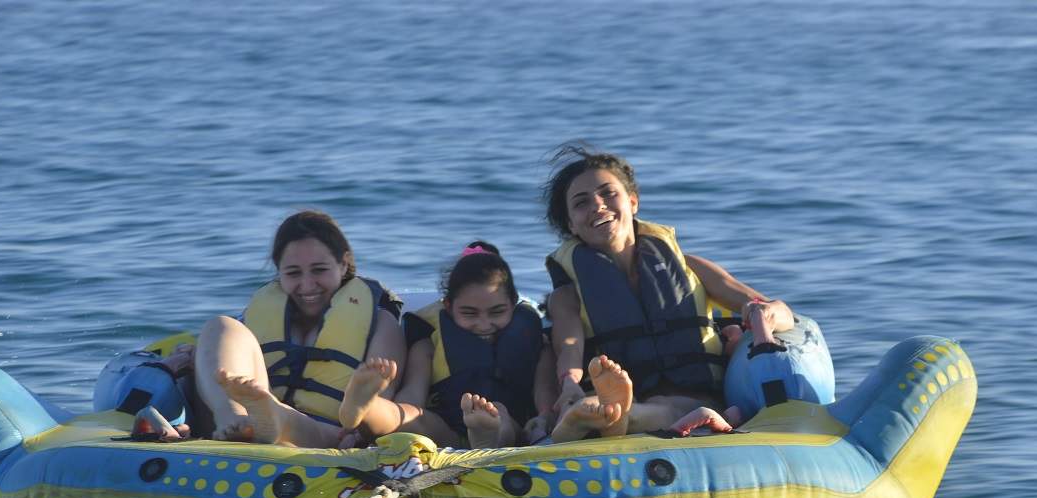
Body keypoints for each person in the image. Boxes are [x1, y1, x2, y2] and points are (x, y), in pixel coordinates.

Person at [542, 144, 796, 439]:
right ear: (571, 224)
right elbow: (568, 344)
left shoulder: (691, 268)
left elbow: (777, 311)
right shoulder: (568, 293)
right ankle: (603, 414)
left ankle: (608, 417)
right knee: (616, 407)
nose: (598, 205)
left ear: (633, 202)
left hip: (698, 397)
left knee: (661, 409)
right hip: (636, 395)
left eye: (608, 193)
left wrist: (764, 312)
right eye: (581, 202)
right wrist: (569, 383)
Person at [192, 210, 407, 446]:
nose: (307, 285)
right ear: (279, 272)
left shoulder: (380, 323)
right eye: (293, 273)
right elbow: (218, 360)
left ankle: (270, 422)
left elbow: (379, 405)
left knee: (281, 417)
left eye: (319, 270)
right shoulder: (257, 316)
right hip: (248, 418)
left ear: (343, 264)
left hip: (326, 435)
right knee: (220, 325)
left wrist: (358, 430)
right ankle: (236, 419)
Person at [338, 242, 557, 449]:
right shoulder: (428, 344)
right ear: (449, 306)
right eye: (469, 313)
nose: (483, 325)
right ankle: (364, 409)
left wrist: (543, 419)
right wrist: (397, 414)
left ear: (514, 303)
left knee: (500, 415)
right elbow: (413, 393)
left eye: (497, 312)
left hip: (508, 428)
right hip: (445, 433)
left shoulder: (536, 341)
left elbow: (544, 394)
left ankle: (485, 437)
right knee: (409, 416)